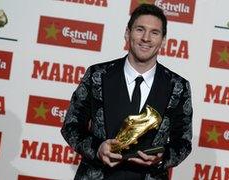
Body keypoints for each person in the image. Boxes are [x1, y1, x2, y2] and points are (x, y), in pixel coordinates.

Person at [61, 4, 192, 180]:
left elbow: (183, 142)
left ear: (163, 40)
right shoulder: (97, 75)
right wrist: (97, 149)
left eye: (154, 32)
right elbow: (71, 126)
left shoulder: (178, 86)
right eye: (140, 30)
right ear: (127, 33)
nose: (146, 38)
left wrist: (162, 158)